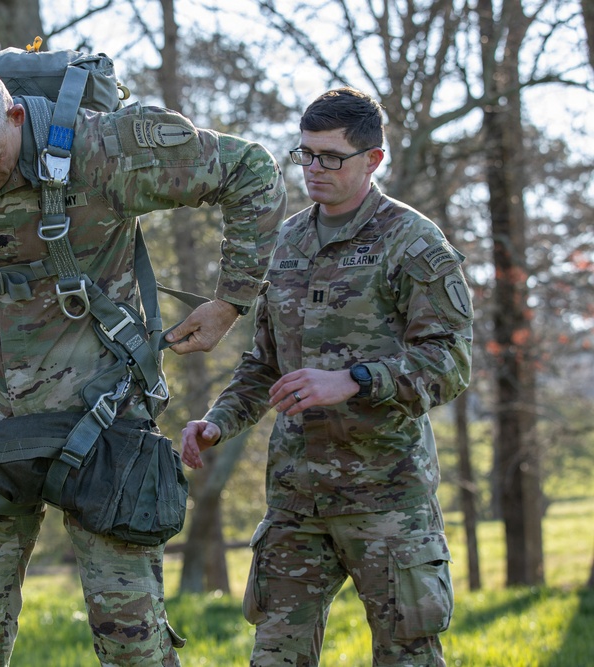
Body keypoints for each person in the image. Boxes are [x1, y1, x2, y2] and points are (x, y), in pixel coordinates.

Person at [0, 58, 287, 666]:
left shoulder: (106, 149)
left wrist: (232, 300)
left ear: (14, 114)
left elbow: (251, 171)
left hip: (100, 424)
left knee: (134, 647)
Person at [181, 86, 473, 666]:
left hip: (384, 499)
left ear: (373, 159)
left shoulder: (412, 242)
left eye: (331, 157)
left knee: (407, 656)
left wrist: (355, 381)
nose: (314, 169)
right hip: (296, 500)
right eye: (306, 154)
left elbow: (451, 362)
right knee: (274, 657)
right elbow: (264, 363)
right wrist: (217, 423)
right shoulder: (284, 242)